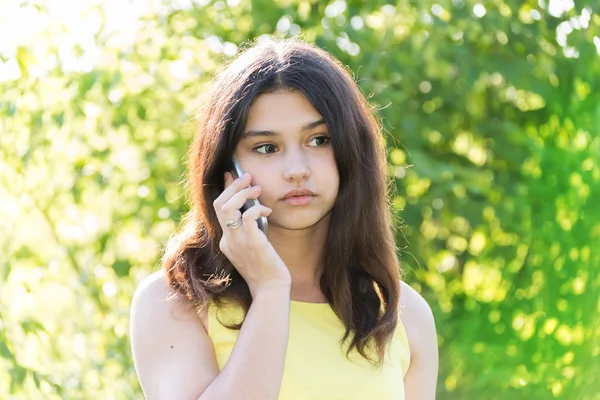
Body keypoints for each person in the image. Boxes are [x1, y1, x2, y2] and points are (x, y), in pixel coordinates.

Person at [129, 36, 438, 400]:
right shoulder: (175, 300)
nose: (296, 170)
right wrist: (271, 290)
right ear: (227, 167)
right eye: (267, 148)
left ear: (351, 150)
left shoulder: (401, 313)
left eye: (319, 140)